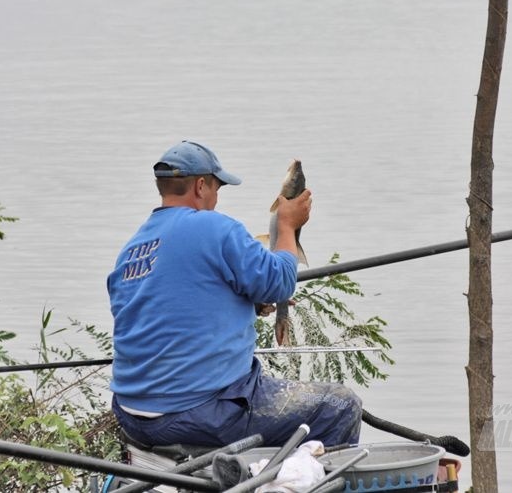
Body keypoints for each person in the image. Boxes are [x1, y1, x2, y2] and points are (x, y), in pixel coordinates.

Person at [108, 140, 362, 449]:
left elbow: (161, 312)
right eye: (217, 188)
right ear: (201, 186)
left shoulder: (132, 251)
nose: (216, 199)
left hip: (133, 414)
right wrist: (286, 225)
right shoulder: (212, 226)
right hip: (199, 410)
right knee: (340, 406)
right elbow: (280, 281)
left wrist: (247, 305)